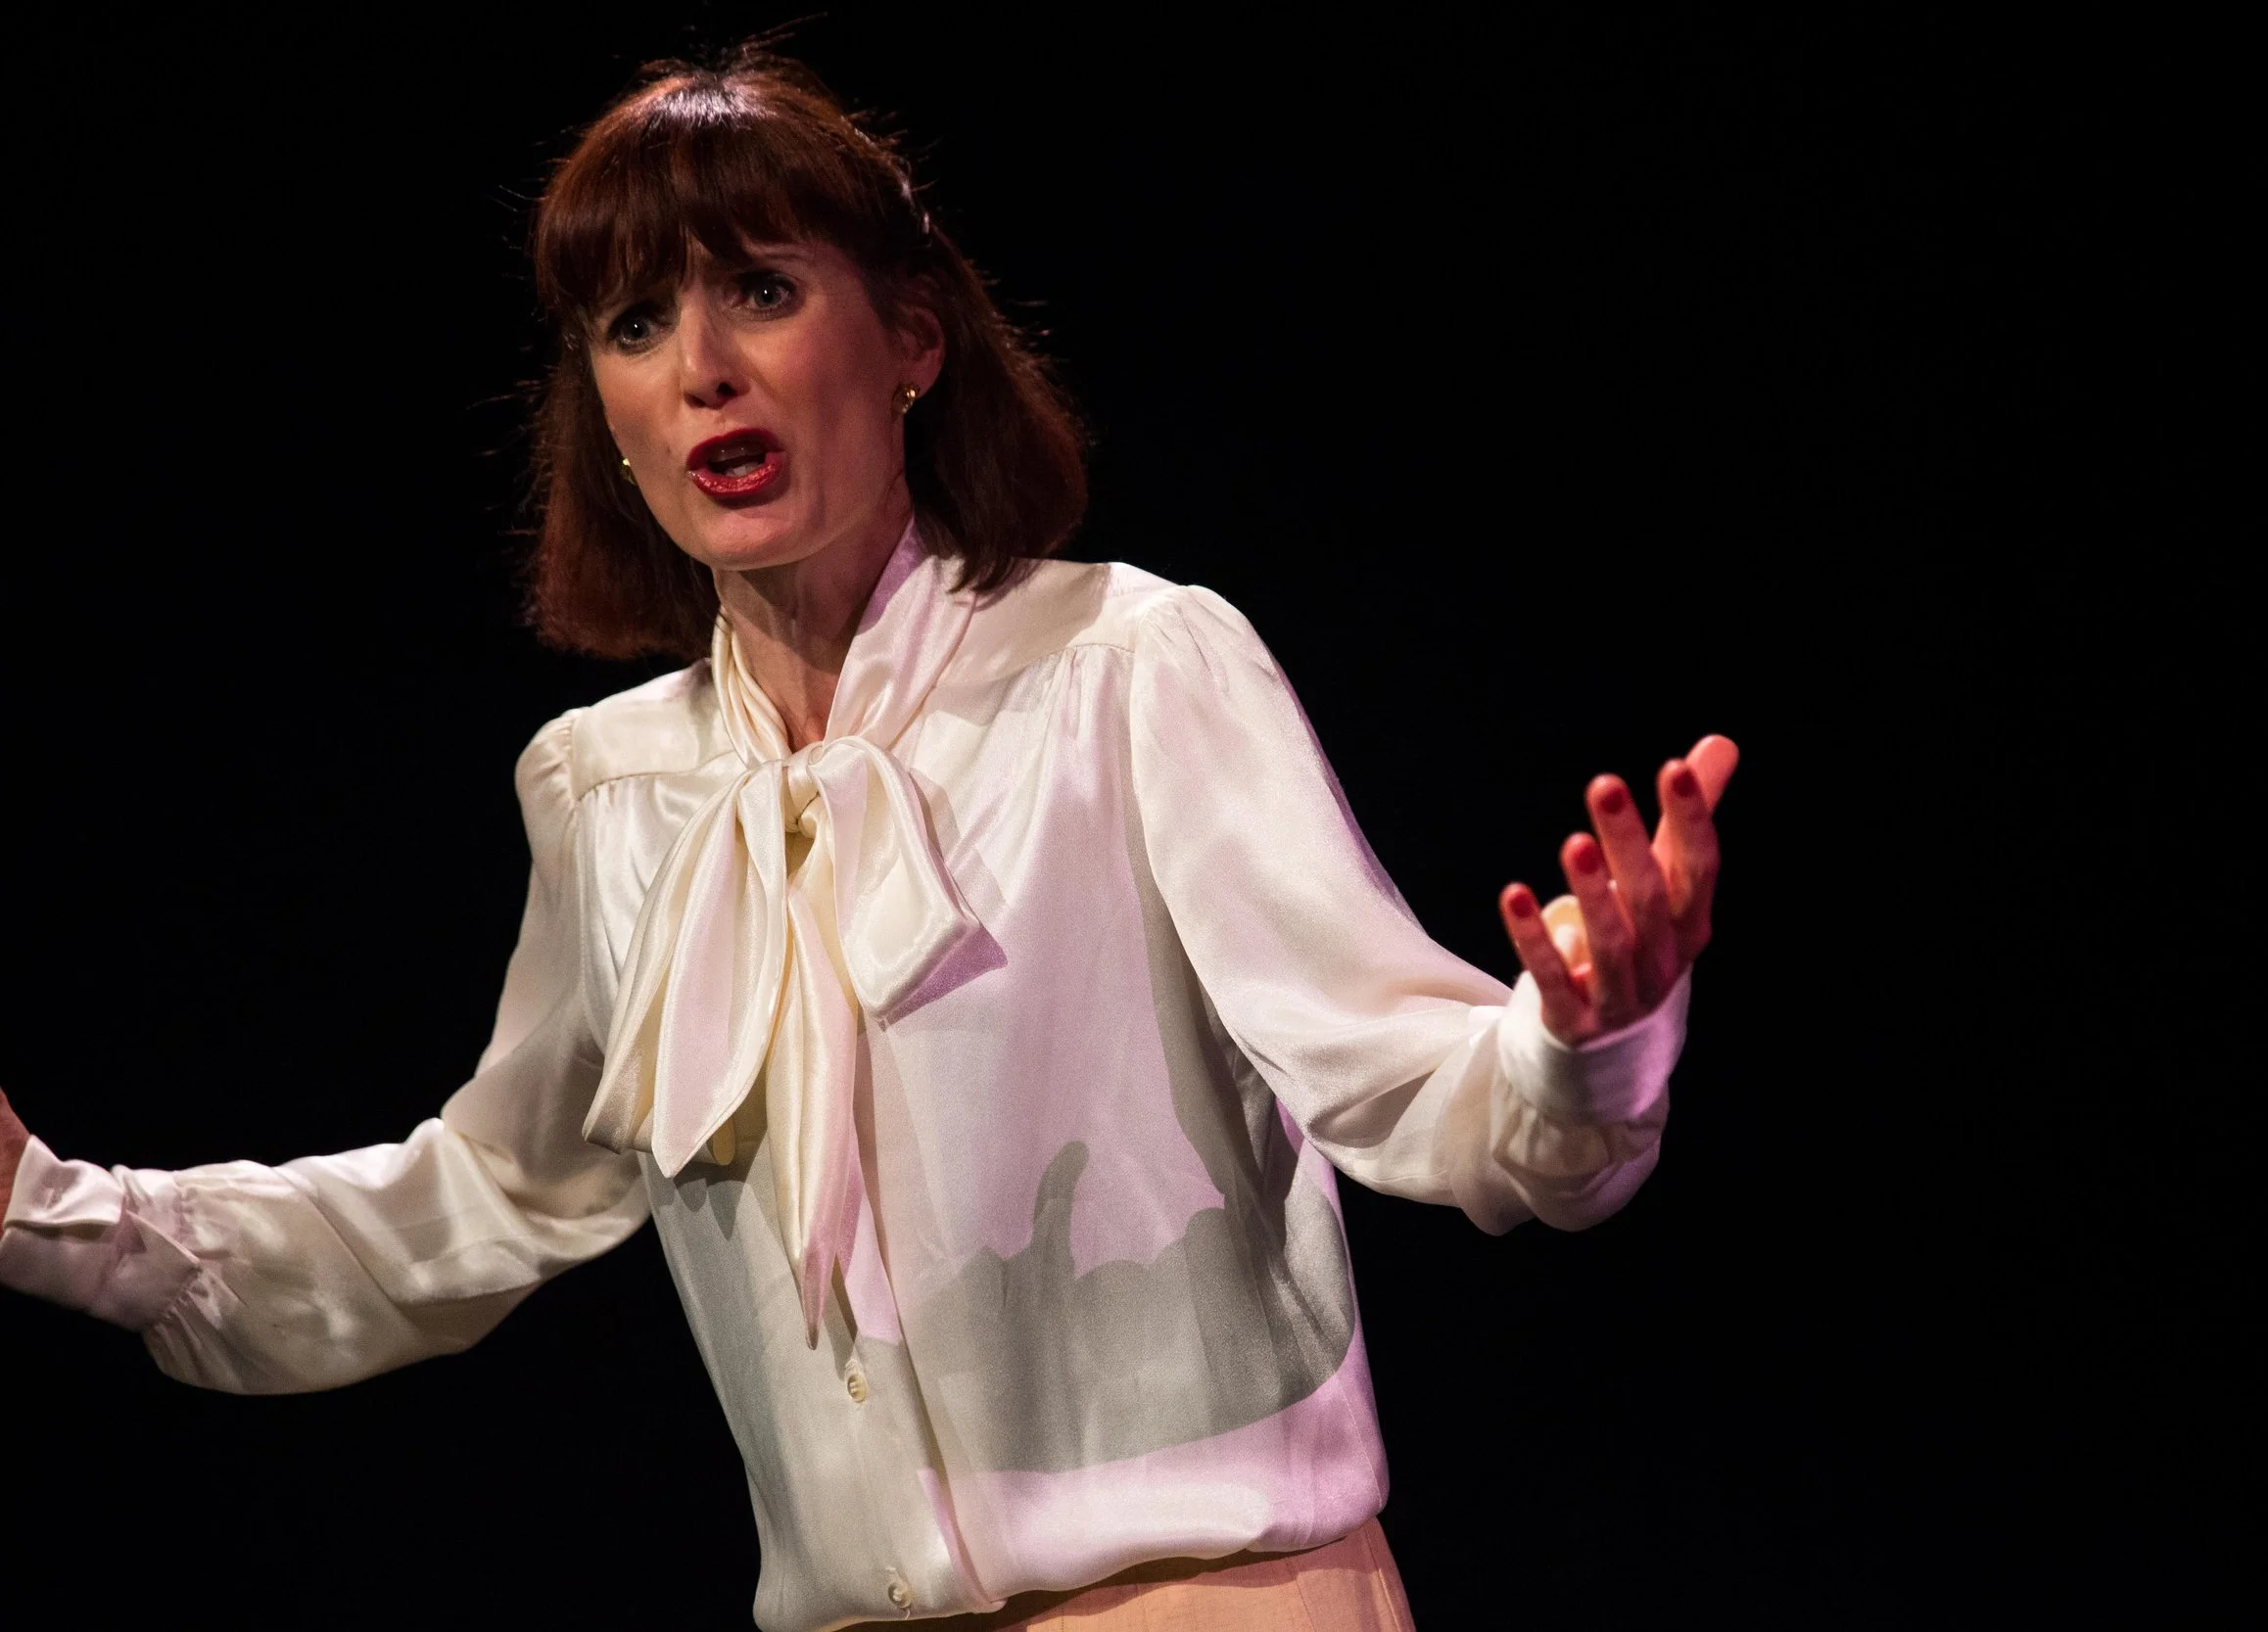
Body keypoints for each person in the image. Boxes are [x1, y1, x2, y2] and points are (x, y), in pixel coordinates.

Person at [0, 51, 1735, 1632]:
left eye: (761, 291)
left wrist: (1584, 1041)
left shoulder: (1127, 668)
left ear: (913, 338)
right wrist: (51, 1215)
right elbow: (484, 1198)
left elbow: (1410, 1078)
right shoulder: (604, 792)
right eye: (633, 323)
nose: (701, 367)